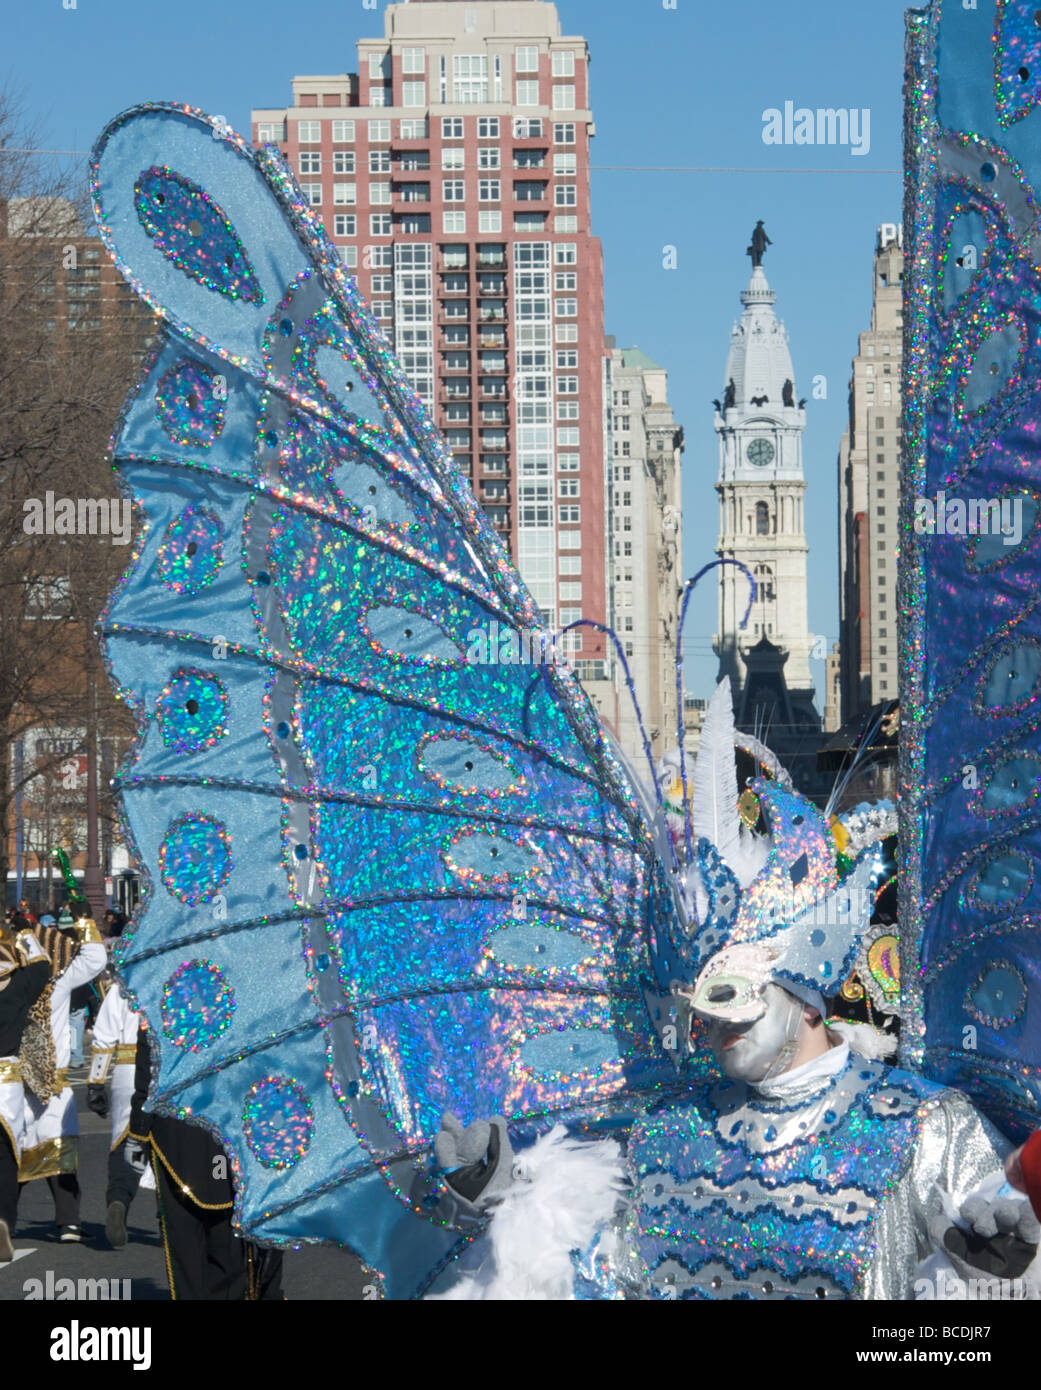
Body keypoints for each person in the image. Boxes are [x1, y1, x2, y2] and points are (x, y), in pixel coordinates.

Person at [429, 781, 1039, 1301]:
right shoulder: (665, 1134)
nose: (713, 1027)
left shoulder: (927, 1129)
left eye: (729, 998)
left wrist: (991, 1281)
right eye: (698, 1009)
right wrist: (509, 1197)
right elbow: (600, 1280)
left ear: (804, 996)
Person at [129, 1030, 284, 1299]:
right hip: (228, 1125)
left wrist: (138, 1131)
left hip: (176, 1131)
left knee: (185, 1241)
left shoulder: (158, 990)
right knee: (228, 1236)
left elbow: (149, 1064)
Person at [19, 909, 107, 1240]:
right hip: (46, 1081)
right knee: (56, 1152)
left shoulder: (12, 983)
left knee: (17, 1151)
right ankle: (67, 1220)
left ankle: (7, 1218)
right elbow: (96, 958)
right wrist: (83, 919)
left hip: (19, 1080)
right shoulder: (57, 982)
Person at [0, 917, 50, 1262]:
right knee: (6, 1154)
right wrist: (24, 931)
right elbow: (43, 964)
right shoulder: (19, 986)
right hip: (5, 1078)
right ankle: (4, 1218)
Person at [87, 982, 150, 1249]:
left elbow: (103, 1037)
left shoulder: (124, 983)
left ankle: (119, 1198)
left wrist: (95, 1083)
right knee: (172, 1147)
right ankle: (170, 1219)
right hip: (168, 1071)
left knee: (126, 1142)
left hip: (127, 1069)